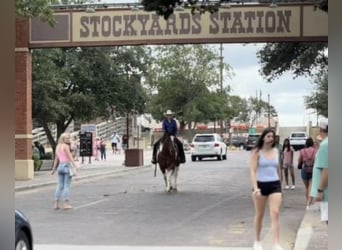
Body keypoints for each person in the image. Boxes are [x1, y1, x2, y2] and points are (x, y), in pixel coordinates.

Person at [250, 128, 284, 250]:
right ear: (263, 137)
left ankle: (276, 243)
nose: (271, 139)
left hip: (274, 184)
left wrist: (281, 184)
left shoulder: (276, 151)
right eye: (268, 136)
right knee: (259, 214)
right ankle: (257, 240)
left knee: (275, 213)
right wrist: (255, 189)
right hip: (260, 184)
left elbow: (278, 169)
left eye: (272, 136)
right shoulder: (256, 152)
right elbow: (253, 171)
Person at [51, 133, 79, 210]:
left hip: (60, 167)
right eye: (67, 138)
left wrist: (53, 169)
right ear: (63, 139)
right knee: (67, 185)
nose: (68, 139)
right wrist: (75, 166)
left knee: (59, 186)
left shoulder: (58, 147)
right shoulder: (66, 146)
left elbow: (56, 159)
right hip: (66, 166)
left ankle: (56, 204)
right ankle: (66, 204)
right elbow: (70, 157)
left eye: (69, 138)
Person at [310, 120, 328, 224]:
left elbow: (327, 169)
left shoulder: (325, 145)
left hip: (327, 192)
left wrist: (320, 191)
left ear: (321, 130)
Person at [297, 137, 316, 208]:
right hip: (313, 169)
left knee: (307, 188)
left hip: (304, 169)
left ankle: (307, 202)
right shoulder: (315, 151)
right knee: (310, 188)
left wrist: (299, 165)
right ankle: (309, 203)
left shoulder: (302, 151)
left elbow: (299, 160)